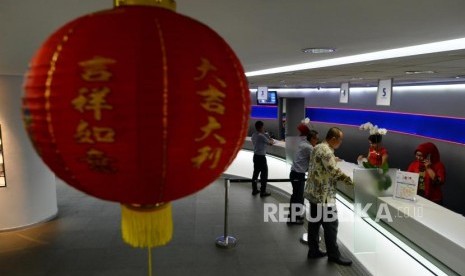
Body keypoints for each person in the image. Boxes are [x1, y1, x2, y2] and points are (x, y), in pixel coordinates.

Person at [304, 127, 354, 266]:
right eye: (340, 140)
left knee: (314, 224)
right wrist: (351, 181)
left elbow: (322, 166)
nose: (340, 143)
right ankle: (333, 255)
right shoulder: (326, 151)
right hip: (324, 196)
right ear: (333, 139)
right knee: (331, 226)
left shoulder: (318, 147)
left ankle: (313, 250)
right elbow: (334, 172)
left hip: (314, 193)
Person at [288, 124, 319, 225]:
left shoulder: (303, 143)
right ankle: (293, 219)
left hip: (294, 173)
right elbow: (316, 161)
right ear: (312, 138)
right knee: (298, 197)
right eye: (316, 139)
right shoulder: (309, 147)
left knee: (296, 196)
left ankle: (293, 216)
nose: (317, 141)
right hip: (298, 175)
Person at [251, 120, 275, 197]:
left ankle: (254, 190)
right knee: (264, 174)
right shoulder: (261, 136)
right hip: (261, 157)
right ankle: (263, 191)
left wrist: (266, 135)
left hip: (255, 156)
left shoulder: (254, 135)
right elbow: (271, 143)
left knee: (255, 174)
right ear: (261, 127)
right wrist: (270, 138)